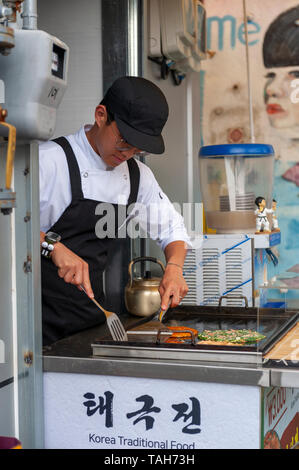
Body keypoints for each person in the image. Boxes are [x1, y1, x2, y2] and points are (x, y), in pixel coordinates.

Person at [39, 76, 190, 346]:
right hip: (34, 323)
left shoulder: (137, 176)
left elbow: (171, 229)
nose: (127, 153)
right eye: (123, 141)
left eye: (137, 148)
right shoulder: (49, 160)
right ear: (101, 115)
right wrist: (53, 247)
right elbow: (9, 227)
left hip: (91, 320)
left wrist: (175, 268)